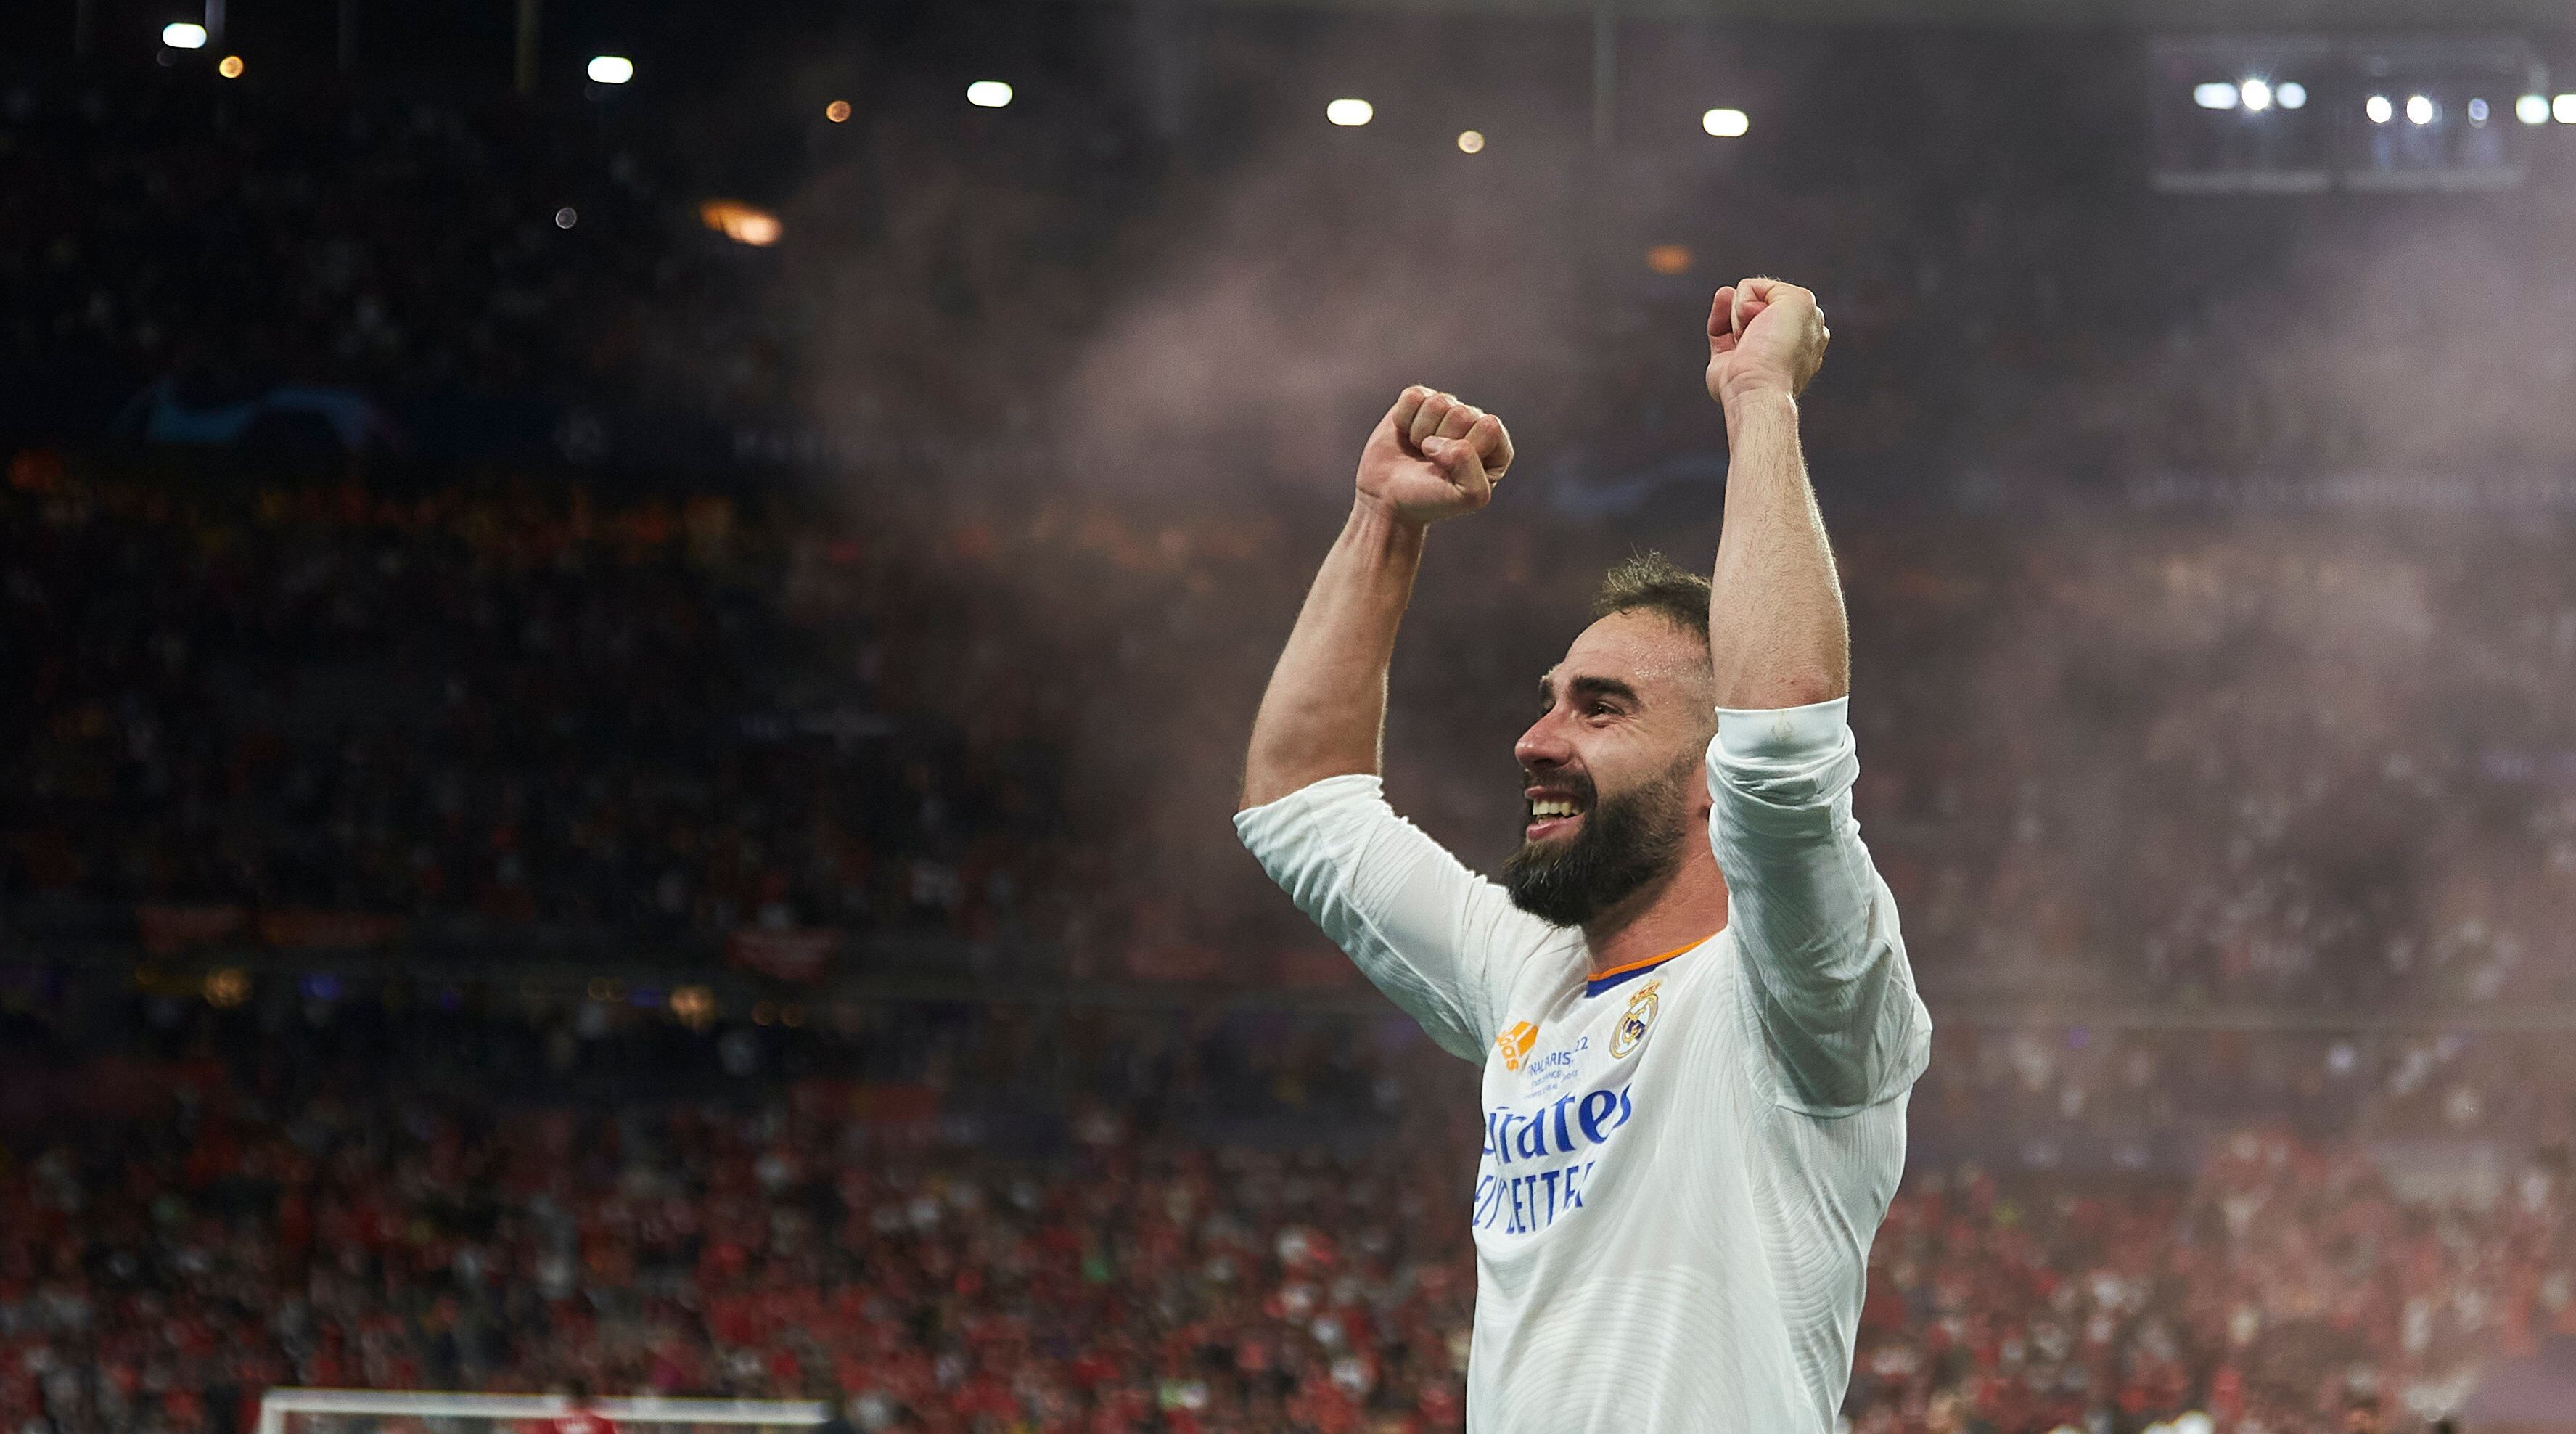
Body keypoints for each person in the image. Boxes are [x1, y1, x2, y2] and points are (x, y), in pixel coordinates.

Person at [1235, 277, 1930, 1432]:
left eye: (1599, 710)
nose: (1535, 739)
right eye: (1548, 701)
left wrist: (1759, 398)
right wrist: (1382, 520)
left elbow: (1787, 744)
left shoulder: (1804, 1004)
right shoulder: (1532, 975)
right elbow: (1301, 807)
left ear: (1713, 775)